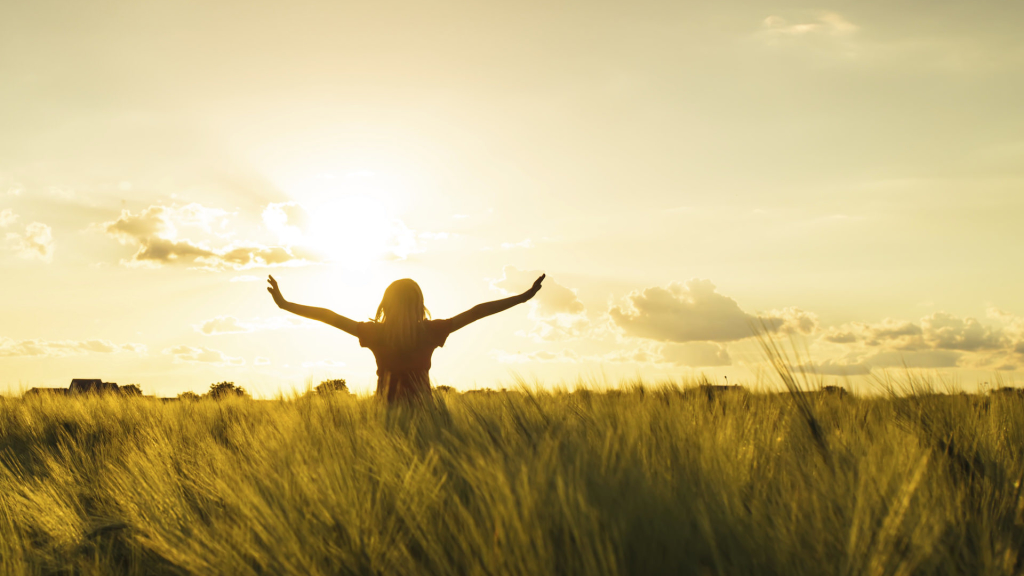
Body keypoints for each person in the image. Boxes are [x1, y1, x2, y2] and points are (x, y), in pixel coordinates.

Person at [267, 273, 545, 402]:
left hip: (384, 416)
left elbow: (328, 315)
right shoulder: (432, 331)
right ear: (419, 303)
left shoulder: (374, 333)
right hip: (427, 416)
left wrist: (285, 304)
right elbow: (478, 311)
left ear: (385, 305)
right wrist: (523, 297)